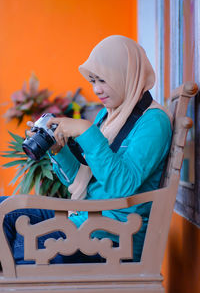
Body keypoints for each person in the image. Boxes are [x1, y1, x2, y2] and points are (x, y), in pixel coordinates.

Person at [0, 35, 172, 265]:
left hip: (111, 236)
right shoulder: (110, 115)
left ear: (126, 74)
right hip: (84, 219)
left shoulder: (154, 122)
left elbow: (122, 186)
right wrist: (58, 149)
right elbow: (85, 179)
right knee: (3, 210)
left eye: (102, 80)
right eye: (92, 81)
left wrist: (85, 130)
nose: (96, 90)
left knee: (17, 252)